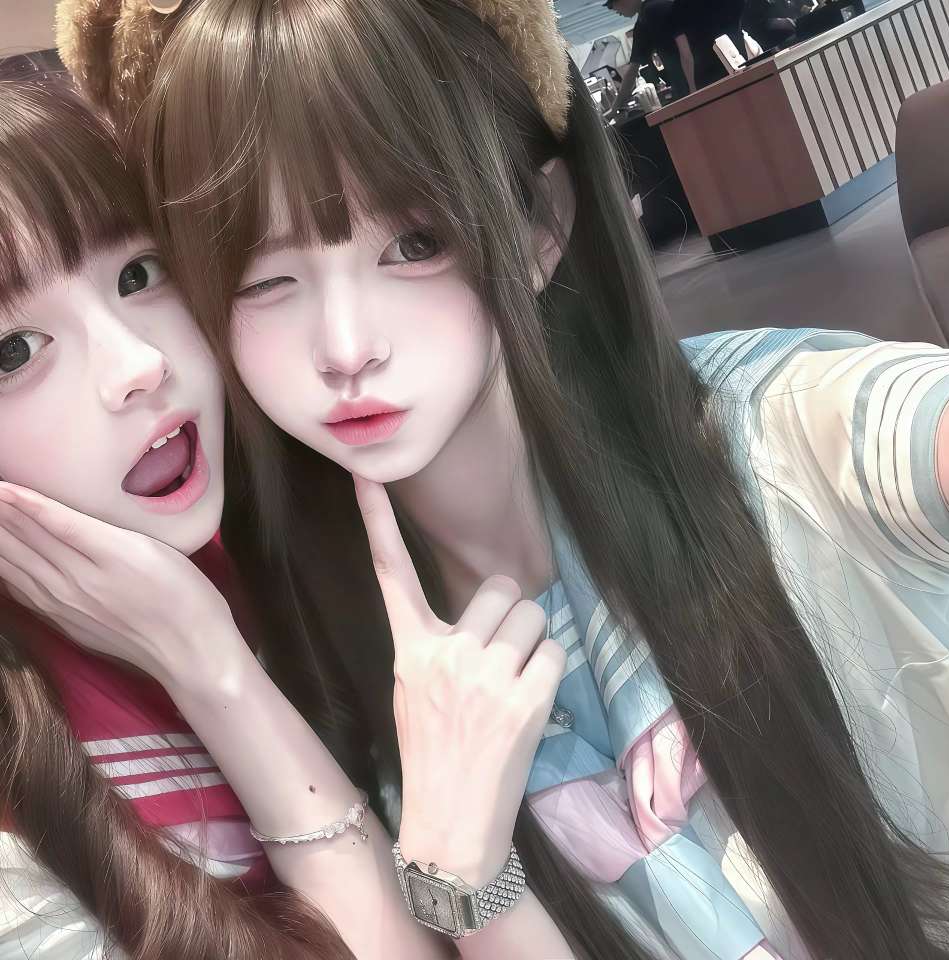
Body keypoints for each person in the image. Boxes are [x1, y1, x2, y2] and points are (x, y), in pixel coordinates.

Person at [48, 0, 949, 958]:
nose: (346, 349)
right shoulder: (327, 669)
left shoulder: (767, 432)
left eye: (415, 244)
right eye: (265, 278)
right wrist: (459, 871)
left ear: (537, 227)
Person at [0, 71, 562, 960]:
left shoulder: (309, 536)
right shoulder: (22, 849)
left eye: (139, 273)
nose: (138, 363)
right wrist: (213, 675)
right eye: (12, 353)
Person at [606, 0, 689, 112]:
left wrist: (614, 109)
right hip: (693, 73)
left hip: (689, 80)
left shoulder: (648, 15)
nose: (616, 11)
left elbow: (632, 71)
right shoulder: (653, 9)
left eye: (615, 4)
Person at [670, 0, 747, 90]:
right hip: (740, 59)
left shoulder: (679, 6)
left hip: (709, 75)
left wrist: (692, 88)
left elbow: (685, 54)